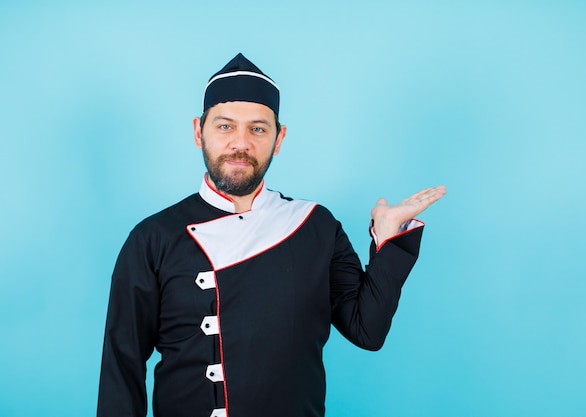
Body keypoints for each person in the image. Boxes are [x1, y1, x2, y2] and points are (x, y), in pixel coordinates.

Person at [97, 53, 446, 417]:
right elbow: (122, 366)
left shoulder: (315, 225)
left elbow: (367, 331)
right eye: (225, 126)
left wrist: (388, 239)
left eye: (258, 128)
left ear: (279, 138)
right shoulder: (152, 238)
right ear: (199, 132)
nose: (241, 143)